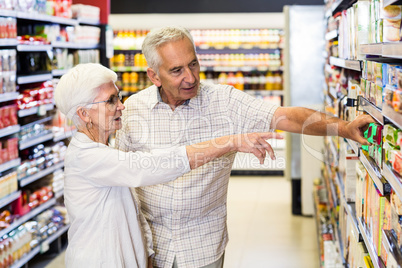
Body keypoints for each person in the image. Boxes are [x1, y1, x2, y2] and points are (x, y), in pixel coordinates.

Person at [115, 26, 374, 268]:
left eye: (193, 63)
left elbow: (286, 116)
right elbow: (121, 178)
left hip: (202, 247)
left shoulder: (224, 101)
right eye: (176, 70)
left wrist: (342, 128)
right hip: (146, 246)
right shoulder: (131, 111)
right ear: (153, 75)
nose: (190, 77)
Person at [55, 63, 281, 267]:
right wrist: (231, 141)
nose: (121, 106)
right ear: (84, 114)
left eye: (119, 96)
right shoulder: (87, 158)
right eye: (111, 100)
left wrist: (148, 254)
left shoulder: (104, 151)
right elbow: (155, 165)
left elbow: (132, 210)